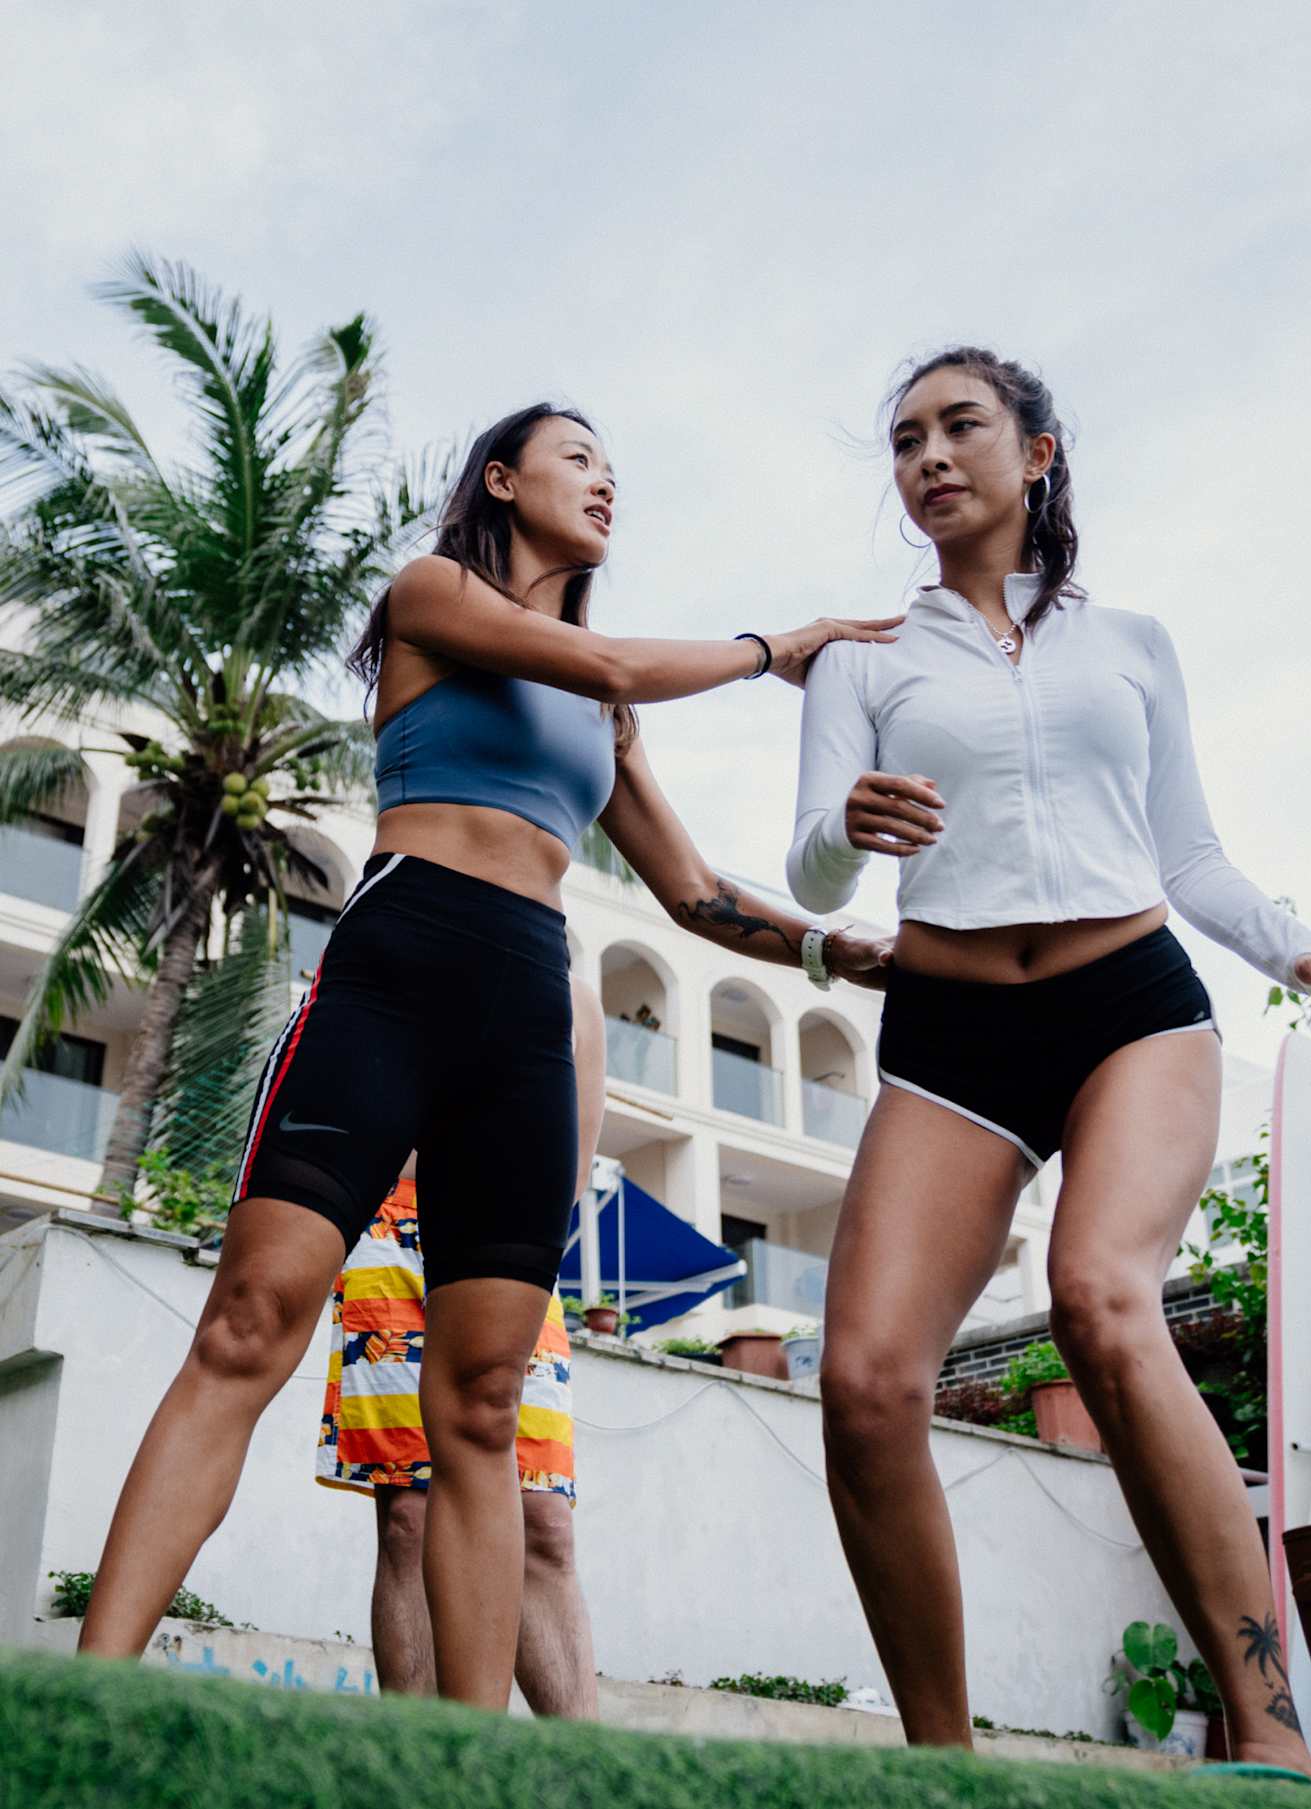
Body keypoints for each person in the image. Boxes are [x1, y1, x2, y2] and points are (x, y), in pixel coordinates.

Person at [80, 401, 894, 1711]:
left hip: (523, 1006)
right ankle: (90, 1688)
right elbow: (613, 660)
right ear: (503, 481)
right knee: (247, 1325)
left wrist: (829, 951)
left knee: (480, 1406)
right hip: (395, 970)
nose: (606, 483)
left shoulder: (602, 710)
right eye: (579, 459)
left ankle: (471, 1760)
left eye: (614, 469)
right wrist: (772, 649)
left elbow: (690, 893)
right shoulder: (436, 595)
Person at [786, 347, 1311, 1765]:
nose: (929, 457)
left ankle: (1271, 1738)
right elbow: (809, 868)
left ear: (1035, 453)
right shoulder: (863, 658)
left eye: (960, 427)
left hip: (1129, 1006)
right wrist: (845, 830)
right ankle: (945, 1768)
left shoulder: (1132, 645)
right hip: (951, 1035)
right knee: (864, 1383)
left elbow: (1188, 855)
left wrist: (1300, 951)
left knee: (1103, 1300)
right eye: (905, 440)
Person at [317, 975, 607, 1706]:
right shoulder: (404, 937)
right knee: (410, 1512)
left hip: (512, 1237)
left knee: (544, 1518)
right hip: (393, 1219)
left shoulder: (574, 991)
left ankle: (583, 1763)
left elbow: (572, 1167)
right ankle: (423, 1758)